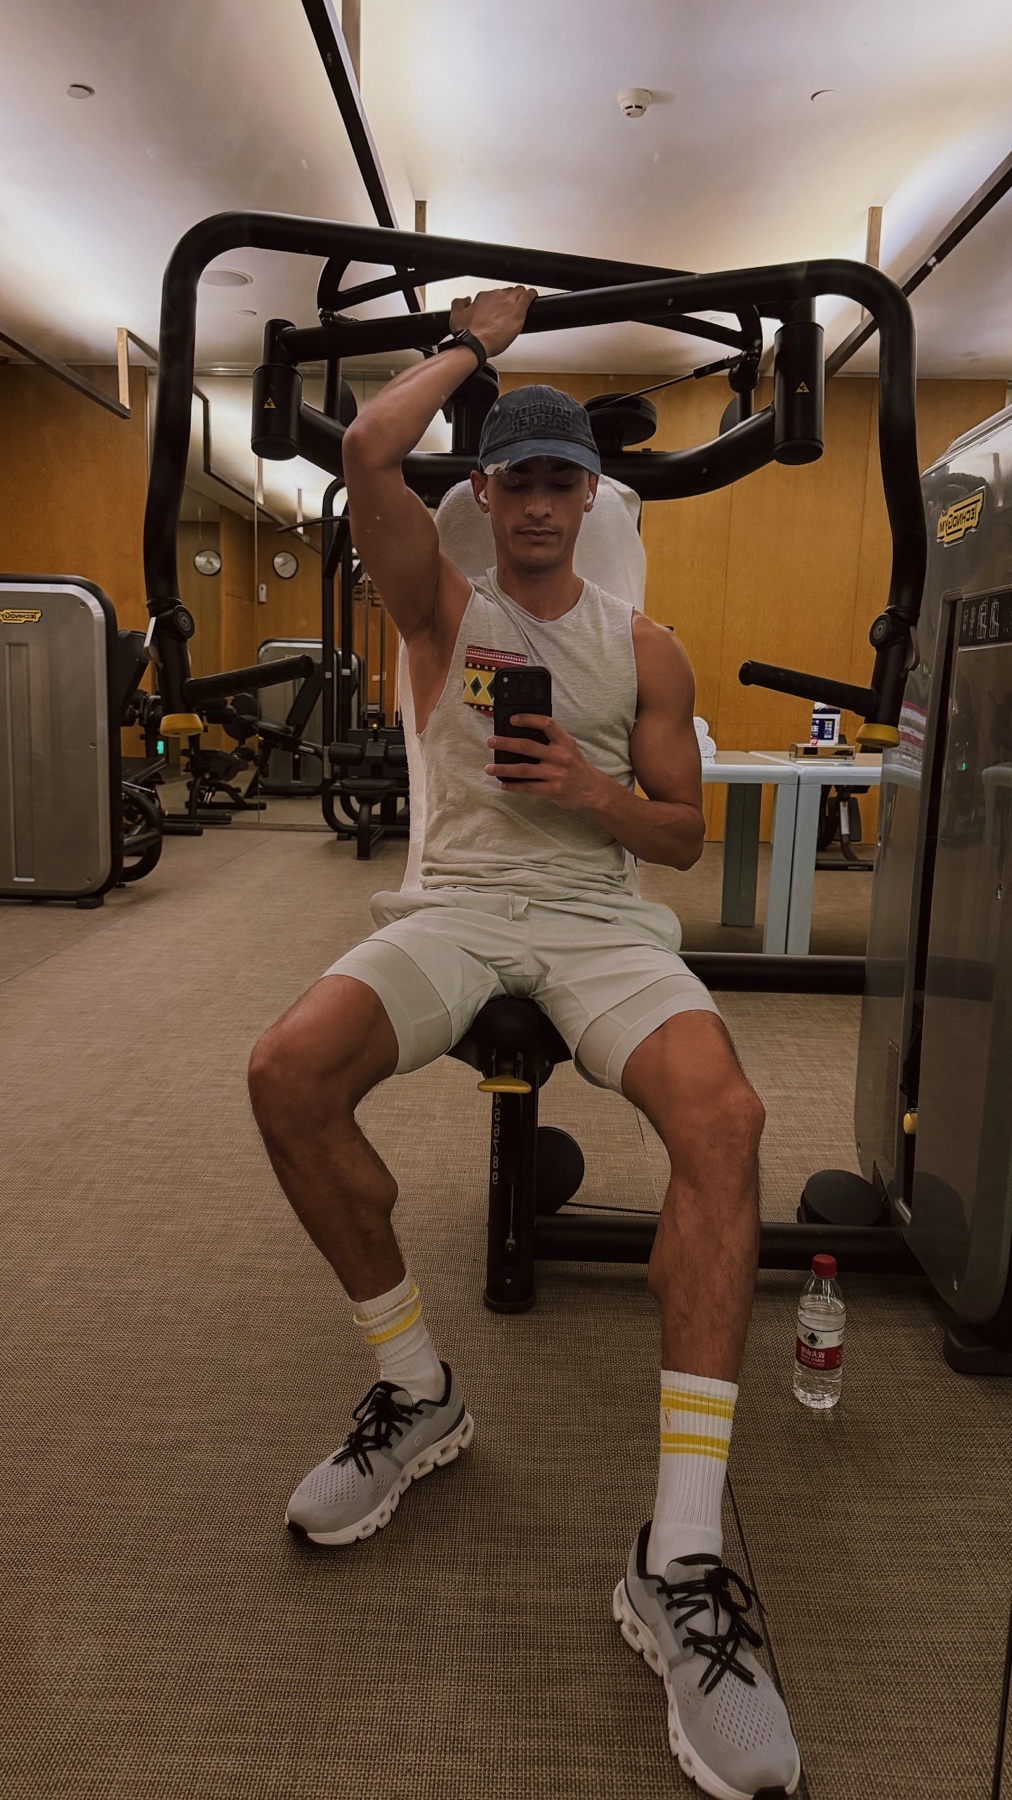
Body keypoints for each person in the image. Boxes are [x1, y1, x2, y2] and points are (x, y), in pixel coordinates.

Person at [247, 285, 801, 1799]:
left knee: (728, 1125)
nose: (542, 501)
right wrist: (482, 343)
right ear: (482, 495)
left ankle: (678, 1556)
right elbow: (366, 441)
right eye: (517, 477)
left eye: (564, 479)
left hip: (599, 921)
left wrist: (591, 795)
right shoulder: (439, 604)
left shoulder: (652, 649)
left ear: (591, 498)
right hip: (456, 906)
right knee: (284, 1073)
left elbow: (682, 843)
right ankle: (418, 1389)